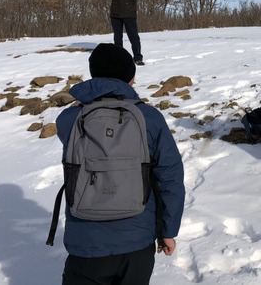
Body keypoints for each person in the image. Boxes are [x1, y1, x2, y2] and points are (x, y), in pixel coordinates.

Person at [55, 43, 185, 285]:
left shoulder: (70, 119)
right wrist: (168, 231)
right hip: (138, 240)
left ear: (94, 73)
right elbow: (170, 178)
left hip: (86, 242)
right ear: (130, 77)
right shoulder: (149, 118)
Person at [104, 0, 144, 65]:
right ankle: (119, 57)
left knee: (133, 36)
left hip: (129, 13)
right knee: (118, 37)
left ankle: (137, 57)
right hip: (115, 13)